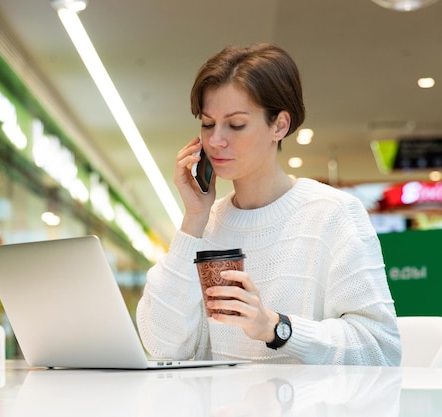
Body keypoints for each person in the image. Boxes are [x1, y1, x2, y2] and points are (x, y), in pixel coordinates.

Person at [136, 43, 401, 366]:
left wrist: (275, 327)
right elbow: (163, 346)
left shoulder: (332, 213)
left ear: (279, 125)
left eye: (236, 124)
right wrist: (193, 220)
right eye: (207, 124)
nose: (216, 140)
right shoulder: (207, 222)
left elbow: (381, 348)